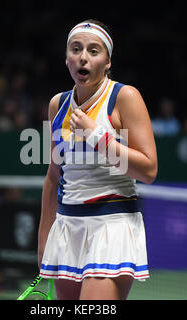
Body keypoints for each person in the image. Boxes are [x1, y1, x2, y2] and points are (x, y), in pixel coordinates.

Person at [38, 19, 158, 300]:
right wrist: (44, 242)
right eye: (76, 49)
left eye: (94, 51)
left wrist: (98, 138)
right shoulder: (57, 105)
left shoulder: (124, 97)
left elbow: (149, 170)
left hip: (111, 226)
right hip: (68, 228)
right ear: (67, 59)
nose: (83, 56)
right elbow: (54, 175)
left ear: (107, 62)